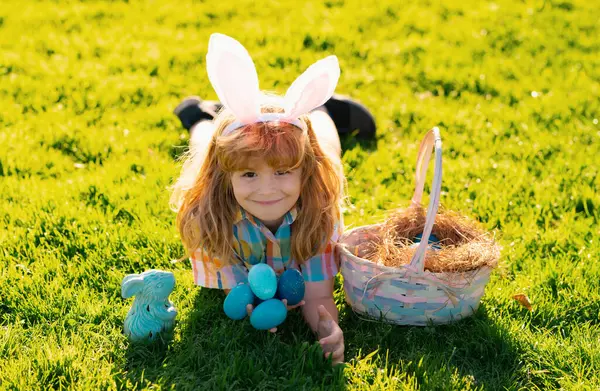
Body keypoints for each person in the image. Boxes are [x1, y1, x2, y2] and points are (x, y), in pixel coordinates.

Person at [170, 33, 376, 365]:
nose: (267, 190)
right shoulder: (212, 214)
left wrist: (327, 327)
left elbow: (318, 292)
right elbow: (234, 287)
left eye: (282, 172)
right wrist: (251, 298)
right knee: (202, 148)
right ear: (228, 178)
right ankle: (198, 116)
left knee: (327, 149)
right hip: (224, 159)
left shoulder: (317, 210)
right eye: (249, 175)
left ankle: (323, 108)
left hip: (304, 144)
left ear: (303, 172)